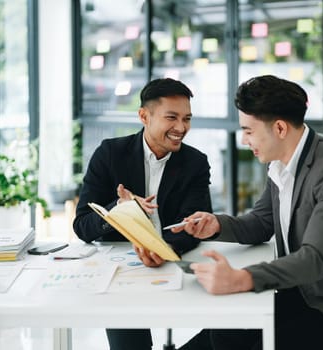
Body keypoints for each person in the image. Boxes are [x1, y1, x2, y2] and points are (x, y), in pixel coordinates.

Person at [174, 75, 323, 349]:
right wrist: (216, 225)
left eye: (249, 131)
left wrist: (244, 277)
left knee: (241, 341)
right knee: (222, 333)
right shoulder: (281, 163)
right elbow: (261, 222)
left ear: (280, 128)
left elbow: (315, 259)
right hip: (304, 293)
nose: (244, 140)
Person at [73, 78, 213, 350]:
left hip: (174, 262)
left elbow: (194, 222)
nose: (181, 128)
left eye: (187, 118)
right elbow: (82, 227)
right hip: (122, 271)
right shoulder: (110, 154)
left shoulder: (195, 162)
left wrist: (164, 247)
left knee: (228, 332)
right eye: (171, 117)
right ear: (143, 116)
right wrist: (118, 209)